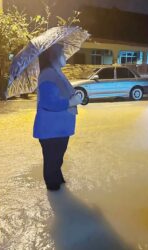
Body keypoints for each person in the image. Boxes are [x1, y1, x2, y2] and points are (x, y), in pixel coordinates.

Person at [33, 44, 82, 191]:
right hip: (51, 130)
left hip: (58, 129)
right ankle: (54, 190)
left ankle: (58, 183)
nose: (65, 56)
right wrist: (70, 102)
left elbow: (62, 93)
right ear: (52, 56)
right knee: (52, 161)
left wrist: (75, 97)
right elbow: (48, 102)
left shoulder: (56, 73)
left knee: (56, 159)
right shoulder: (48, 74)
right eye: (62, 53)